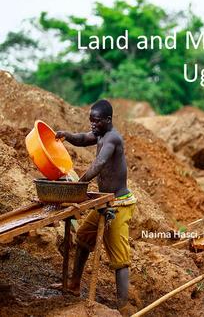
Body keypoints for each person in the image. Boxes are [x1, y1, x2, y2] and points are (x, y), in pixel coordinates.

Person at [56, 99, 136, 313]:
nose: (92, 125)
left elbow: (99, 163)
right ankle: (74, 285)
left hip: (118, 204)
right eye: (90, 121)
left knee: (120, 258)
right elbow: (82, 139)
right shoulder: (100, 134)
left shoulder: (112, 138)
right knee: (83, 239)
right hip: (104, 201)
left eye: (96, 121)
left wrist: (80, 183)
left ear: (108, 120)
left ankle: (123, 306)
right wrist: (66, 135)